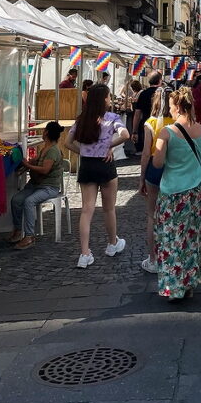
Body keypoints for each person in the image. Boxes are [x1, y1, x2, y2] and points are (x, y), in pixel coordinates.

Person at [151, 89, 201, 300]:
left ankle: (174, 286)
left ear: (177, 107)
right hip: (196, 193)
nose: (170, 110)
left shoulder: (166, 132)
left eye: (171, 106)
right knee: (192, 239)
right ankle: (189, 281)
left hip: (172, 194)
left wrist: (159, 149)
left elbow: (157, 163)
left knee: (171, 239)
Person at [67, 84, 129, 268]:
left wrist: (83, 152)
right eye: (109, 97)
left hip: (87, 165)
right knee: (109, 209)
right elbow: (125, 135)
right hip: (105, 165)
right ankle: (112, 244)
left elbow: (67, 142)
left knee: (86, 210)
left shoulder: (82, 119)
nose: (110, 99)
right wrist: (110, 145)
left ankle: (84, 254)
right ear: (104, 99)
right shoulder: (111, 118)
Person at [9, 120, 64, 249]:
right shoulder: (44, 148)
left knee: (29, 201)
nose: (43, 132)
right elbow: (35, 161)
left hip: (49, 187)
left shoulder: (53, 151)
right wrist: (25, 167)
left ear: (47, 133)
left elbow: (45, 170)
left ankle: (29, 236)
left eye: (44, 130)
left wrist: (27, 165)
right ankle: (18, 230)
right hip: (36, 185)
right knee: (16, 200)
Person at [138, 87, 174, 274]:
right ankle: (172, 255)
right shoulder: (176, 122)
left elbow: (145, 154)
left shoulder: (150, 123)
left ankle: (153, 259)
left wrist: (141, 178)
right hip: (173, 168)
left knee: (152, 214)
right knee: (173, 214)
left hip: (154, 168)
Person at [132, 71, 162, 154]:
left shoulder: (143, 94)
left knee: (147, 149)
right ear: (160, 80)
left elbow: (137, 114)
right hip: (161, 123)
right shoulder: (163, 93)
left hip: (146, 123)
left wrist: (134, 131)